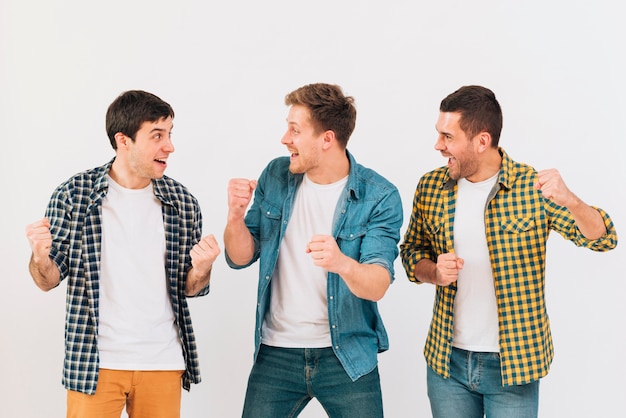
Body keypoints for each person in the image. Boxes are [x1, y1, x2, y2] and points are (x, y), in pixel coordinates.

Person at [400, 85, 618, 417]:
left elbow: (603, 239)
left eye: (448, 137)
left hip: (513, 366)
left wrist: (571, 200)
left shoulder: (533, 188)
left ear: (482, 141)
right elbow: (411, 251)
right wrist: (433, 271)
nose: (438, 145)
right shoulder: (431, 186)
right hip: (448, 363)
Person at [25, 90, 220, 418]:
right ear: (123, 140)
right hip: (95, 364)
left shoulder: (182, 202)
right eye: (157, 135)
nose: (169, 146)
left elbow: (190, 287)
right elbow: (47, 281)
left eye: (170, 134)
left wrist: (202, 268)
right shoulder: (74, 195)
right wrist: (40, 257)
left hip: (162, 361)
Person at [224, 83, 403, 417]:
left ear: (326, 139)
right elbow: (240, 257)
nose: (284, 139)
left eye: (295, 130)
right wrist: (235, 216)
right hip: (275, 353)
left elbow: (378, 283)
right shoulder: (275, 175)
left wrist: (341, 263)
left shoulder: (378, 196)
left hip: (346, 353)